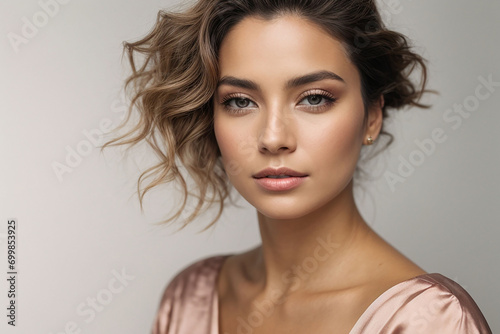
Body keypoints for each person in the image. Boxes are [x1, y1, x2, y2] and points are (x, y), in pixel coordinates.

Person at [103, 0, 492, 333]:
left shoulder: (431, 320)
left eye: (314, 98)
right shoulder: (190, 300)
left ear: (372, 115)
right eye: (240, 101)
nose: (273, 138)